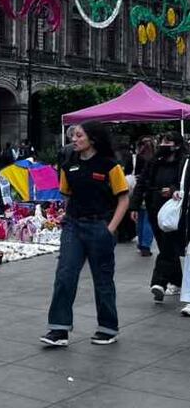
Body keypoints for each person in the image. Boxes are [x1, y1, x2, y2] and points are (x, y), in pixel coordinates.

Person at [41, 121, 129, 347]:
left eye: (79, 135)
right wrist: (66, 217)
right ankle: (59, 330)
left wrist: (110, 229)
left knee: (102, 279)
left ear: (92, 138)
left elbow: (123, 199)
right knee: (64, 276)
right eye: (74, 135)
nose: (75, 139)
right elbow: (66, 195)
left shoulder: (110, 166)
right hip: (73, 226)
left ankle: (108, 328)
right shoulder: (68, 164)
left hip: (100, 226)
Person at [130, 132, 187, 304]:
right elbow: (141, 184)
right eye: (162, 141)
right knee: (165, 246)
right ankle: (177, 281)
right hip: (154, 209)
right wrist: (134, 205)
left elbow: (186, 183)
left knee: (168, 245)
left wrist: (173, 189)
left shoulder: (184, 163)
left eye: (168, 141)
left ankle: (159, 282)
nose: (164, 144)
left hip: (174, 210)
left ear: (177, 145)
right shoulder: (154, 162)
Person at [133, 137, 156, 256]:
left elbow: (136, 173)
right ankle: (146, 245)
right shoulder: (155, 158)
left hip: (140, 189)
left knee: (141, 218)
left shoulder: (140, 156)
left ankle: (141, 243)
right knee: (148, 219)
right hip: (150, 191)